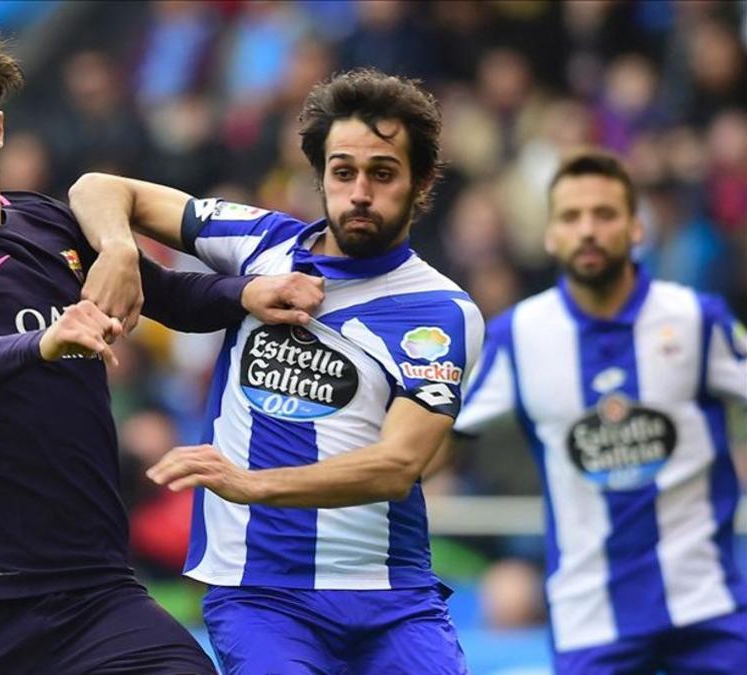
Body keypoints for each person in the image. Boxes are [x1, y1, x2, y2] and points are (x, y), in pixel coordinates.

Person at [0, 19, 323, 674]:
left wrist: (245, 293)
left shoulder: (50, 225)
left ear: (1, 128)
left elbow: (168, 295)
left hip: (95, 591)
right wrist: (45, 340)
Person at [68, 68, 480, 674]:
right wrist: (122, 249)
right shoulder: (261, 243)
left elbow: (399, 465)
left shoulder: (441, 311)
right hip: (261, 597)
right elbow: (98, 188)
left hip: (391, 597)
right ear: (320, 177)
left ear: (420, 184)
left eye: (382, 173)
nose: (359, 191)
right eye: (343, 172)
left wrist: (252, 484)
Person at [453, 150, 747, 673]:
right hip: (590, 619)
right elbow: (430, 437)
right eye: (571, 217)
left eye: (605, 214)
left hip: (708, 610)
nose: (587, 229)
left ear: (636, 228)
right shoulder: (516, 337)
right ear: (550, 235)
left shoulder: (699, 320)